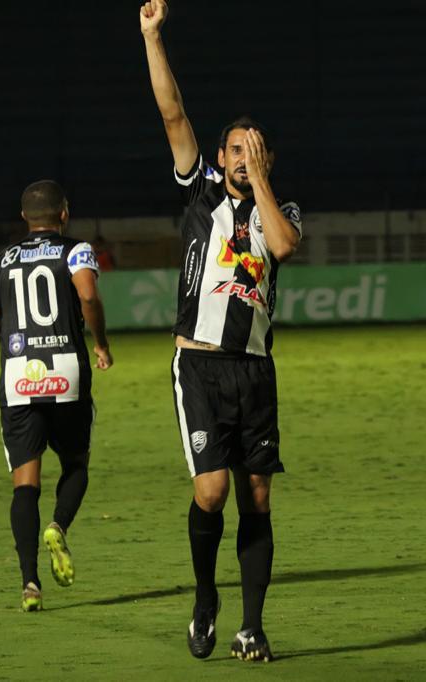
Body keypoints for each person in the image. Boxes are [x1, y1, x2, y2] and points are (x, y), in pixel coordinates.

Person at [141, 0, 303, 663]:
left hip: (254, 369)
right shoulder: (200, 194)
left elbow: (285, 247)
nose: (243, 157)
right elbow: (173, 113)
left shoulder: (278, 207)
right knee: (210, 490)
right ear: (218, 156)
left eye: (254, 149)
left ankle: (253, 626)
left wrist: (262, 178)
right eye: (236, 149)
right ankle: (206, 597)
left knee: (256, 495)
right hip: (200, 366)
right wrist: (153, 37)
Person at [0, 179, 113, 612]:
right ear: (65, 213)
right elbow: (88, 293)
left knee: (25, 484)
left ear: (24, 217)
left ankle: (30, 584)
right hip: (66, 369)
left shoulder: (1, 260)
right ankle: (59, 525)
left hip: (19, 375)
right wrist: (101, 341)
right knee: (76, 464)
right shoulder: (76, 250)